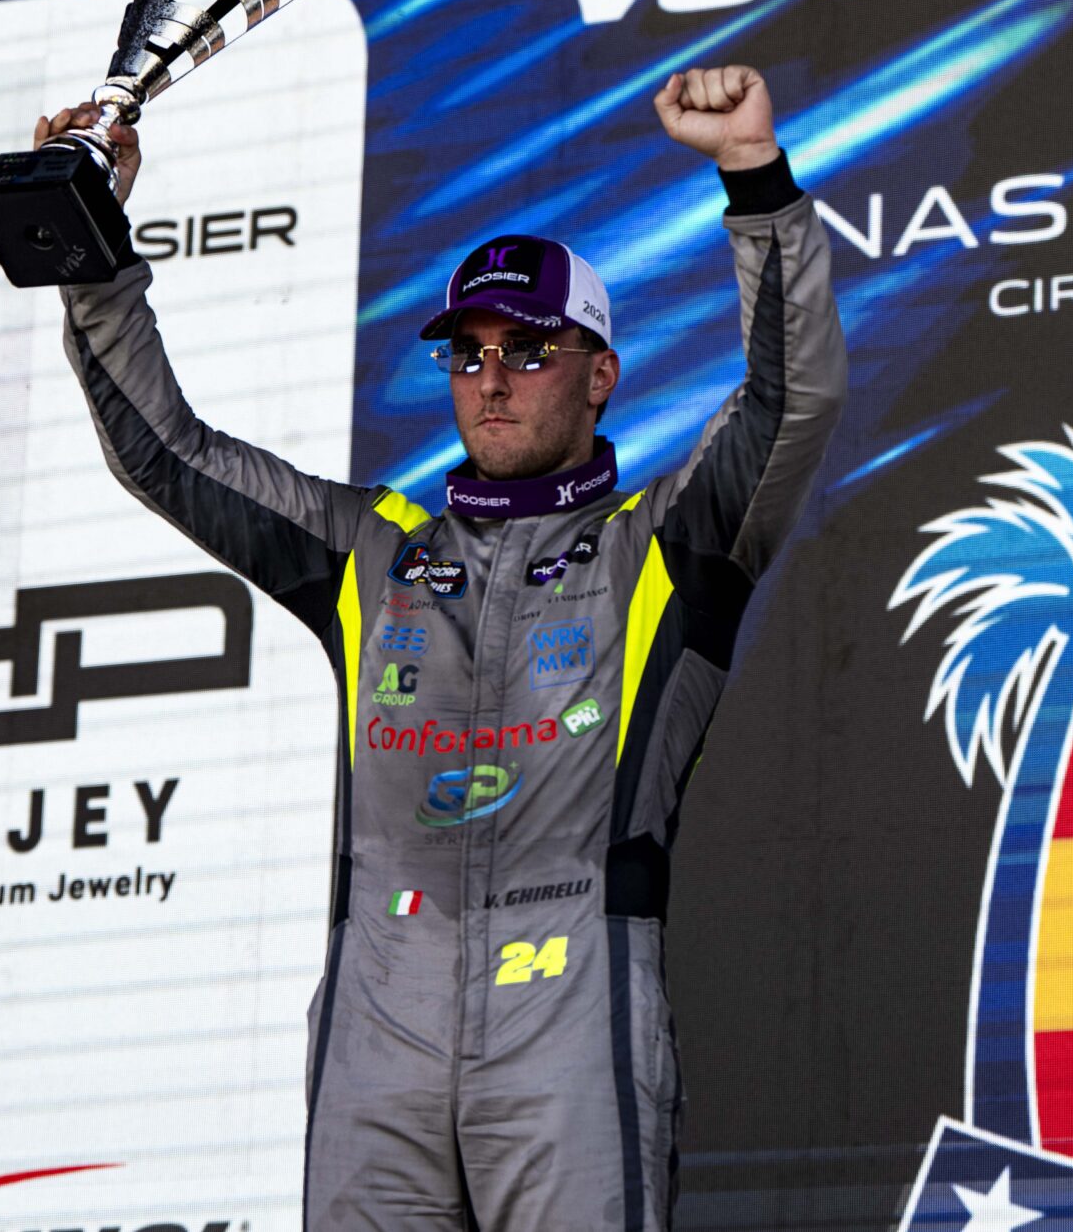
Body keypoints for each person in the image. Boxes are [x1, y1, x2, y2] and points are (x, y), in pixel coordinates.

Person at [41, 64, 844, 1229]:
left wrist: (753, 179)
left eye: (528, 351)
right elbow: (167, 456)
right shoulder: (374, 550)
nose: (491, 381)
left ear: (601, 375)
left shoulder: (661, 543)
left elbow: (789, 401)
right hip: (379, 1019)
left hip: (571, 1005)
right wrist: (88, 253)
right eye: (466, 355)